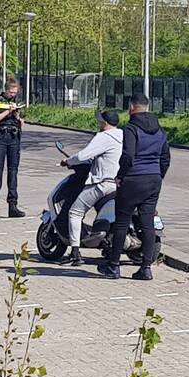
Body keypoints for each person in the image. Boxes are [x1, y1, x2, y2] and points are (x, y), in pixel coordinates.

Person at [97, 93, 169, 281]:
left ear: (132, 107)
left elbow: (128, 156)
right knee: (147, 224)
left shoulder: (131, 129)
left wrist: (120, 176)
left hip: (133, 179)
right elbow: (165, 157)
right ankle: (145, 268)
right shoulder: (160, 130)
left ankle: (113, 266)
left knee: (121, 221)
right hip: (153, 179)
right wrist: (158, 175)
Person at [59, 110, 123, 266]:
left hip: (102, 184)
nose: (99, 124)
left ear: (105, 123)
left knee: (75, 212)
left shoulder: (103, 137)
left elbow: (83, 156)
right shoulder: (122, 135)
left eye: (100, 121)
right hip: (118, 183)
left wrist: (68, 161)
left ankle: (75, 252)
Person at [0, 76, 25, 219]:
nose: (13, 95)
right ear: (6, 90)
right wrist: (8, 111)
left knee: (13, 172)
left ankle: (13, 206)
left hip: (13, 138)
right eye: (11, 93)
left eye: (15, 93)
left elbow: (22, 122)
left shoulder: (17, 102)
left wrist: (17, 115)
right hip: (0, 138)